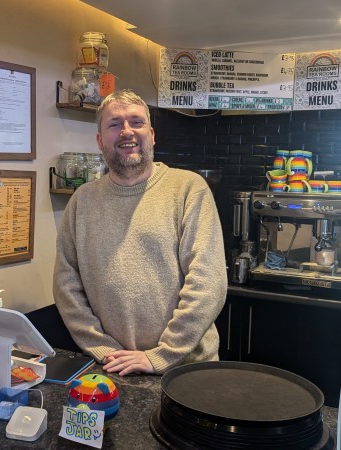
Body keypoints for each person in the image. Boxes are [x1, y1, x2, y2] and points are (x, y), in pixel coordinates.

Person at [53, 89, 227, 376]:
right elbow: (66, 285)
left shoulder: (188, 188)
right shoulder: (82, 200)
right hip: (114, 367)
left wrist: (161, 355)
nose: (126, 131)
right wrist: (103, 349)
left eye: (136, 122)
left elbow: (208, 283)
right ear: (100, 140)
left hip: (189, 371)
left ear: (152, 135)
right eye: (114, 124)